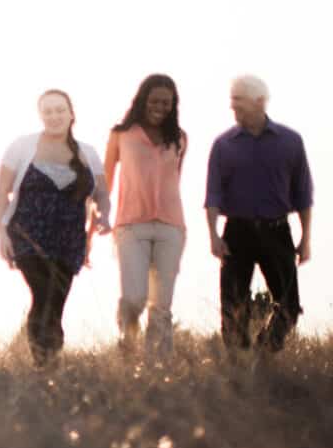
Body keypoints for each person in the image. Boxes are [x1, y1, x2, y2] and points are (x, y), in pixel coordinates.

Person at [0, 89, 111, 366]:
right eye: (48, 111)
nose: (54, 116)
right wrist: (1, 233)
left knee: (55, 302)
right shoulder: (22, 146)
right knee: (43, 293)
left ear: (71, 114)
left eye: (60, 110)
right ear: (40, 115)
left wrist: (103, 216)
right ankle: (44, 363)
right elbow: (2, 192)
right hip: (27, 234)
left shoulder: (88, 153)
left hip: (69, 240)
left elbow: (102, 194)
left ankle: (48, 366)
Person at [205, 75, 313, 352]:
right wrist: (214, 236)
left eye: (239, 102)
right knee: (232, 307)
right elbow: (213, 195)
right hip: (237, 233)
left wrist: (306, 239)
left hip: (276, 231)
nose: (233, 108)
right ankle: (238, 365)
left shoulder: (290, 141)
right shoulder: (223, 145)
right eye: (232, 102)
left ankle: (262, 355)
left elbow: (303, 194)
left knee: (289, 306)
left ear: (260, 101)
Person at [103, 74, 187, 356]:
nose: (159, 107)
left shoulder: (179, 139)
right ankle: (127, 338)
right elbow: (106, 179)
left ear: (173, 104)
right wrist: (97, 218)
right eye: (154, 101)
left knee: (161, 306)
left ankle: (157, 371)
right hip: (131, 226)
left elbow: (176, 178)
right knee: (135, 298)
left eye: (166, 102)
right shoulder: (121, 134)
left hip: (171, 228)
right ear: (142, 100)